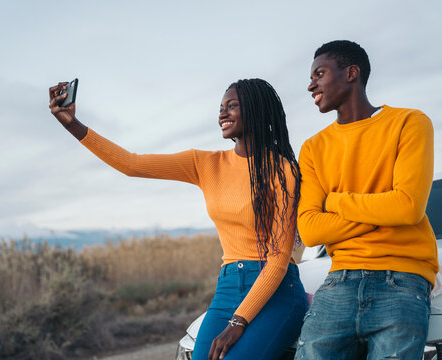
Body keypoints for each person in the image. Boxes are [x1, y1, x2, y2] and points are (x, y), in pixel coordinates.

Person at [48, 78, 307, 360]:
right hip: (229, 287)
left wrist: (238, 322)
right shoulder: (206, 163)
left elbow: (279, 258)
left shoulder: (284, 172)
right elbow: (131, 164)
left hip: (276, 292)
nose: (222, 113)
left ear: (257, 110)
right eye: (221, 107)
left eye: (232, 106)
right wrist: (71, 124)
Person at [294, 40, 439, 359]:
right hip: (338, 281)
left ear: (352, 73)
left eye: (319, 73)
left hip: (403, 279)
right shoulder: (313, 148)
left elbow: (408, 207)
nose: (310, 85)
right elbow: (311, 230)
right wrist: (386, 210)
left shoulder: (409, 123)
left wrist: (334, 202)